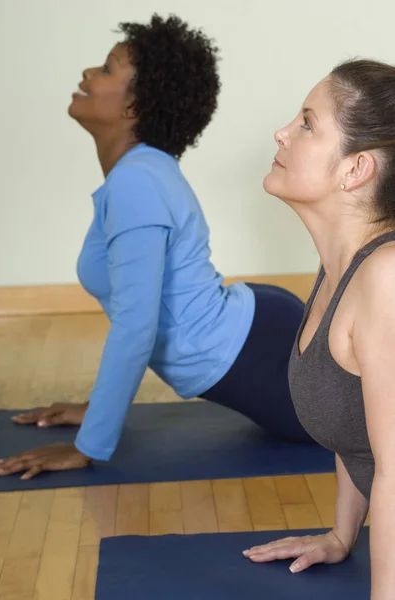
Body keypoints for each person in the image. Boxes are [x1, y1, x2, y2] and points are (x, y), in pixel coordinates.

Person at [0, 14, 309, 481]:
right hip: (254, 336)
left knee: (370, 425)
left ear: (134, 107)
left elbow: (137, 326)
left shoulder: (138, 182)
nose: (87, 75)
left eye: (105, 69)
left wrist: (90, 445)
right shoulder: (140, 174)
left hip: (266, 357)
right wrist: (98, 404)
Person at [242, 58, 395, 598]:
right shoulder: (342, 266)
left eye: (307, 123)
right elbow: (359, 437)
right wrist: (340, 534)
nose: (283, 132)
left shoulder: (385, 277)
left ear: (355, 170)